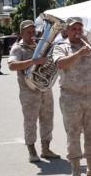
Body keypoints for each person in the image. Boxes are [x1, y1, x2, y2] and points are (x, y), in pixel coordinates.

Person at [52, 17, 91, 176]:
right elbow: (60, 64)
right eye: (74, 29)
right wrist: (79, 53)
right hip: (71, 97)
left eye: (80, 29)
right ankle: (76, 170)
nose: (78, 32)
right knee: (73, 133)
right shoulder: (61, 47)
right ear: (67, 31)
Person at [7, 20, 60, 163]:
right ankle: (32, 151)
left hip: (45, 89)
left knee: (47, 120)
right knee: (30, 121)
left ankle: (46, 149)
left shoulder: (41, 46)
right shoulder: (18, 48)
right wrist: (33, 61)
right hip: (29, 91)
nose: (32, 34)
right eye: (28, 32)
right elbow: (12, 66)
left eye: (33, 31)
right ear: (21, 33)